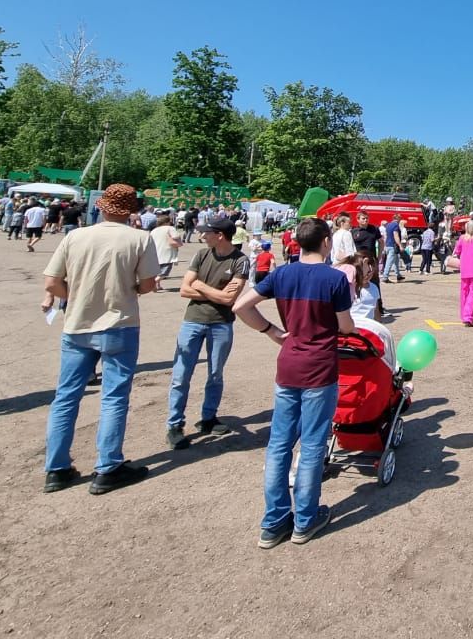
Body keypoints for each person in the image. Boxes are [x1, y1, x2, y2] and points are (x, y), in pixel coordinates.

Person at [233, 217, 354, 549]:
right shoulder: (335, 279)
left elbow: (240, 306)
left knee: (279, 445)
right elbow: (345, 327)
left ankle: (273, 522)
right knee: (313, 445)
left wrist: (270, 330)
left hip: (288, 366)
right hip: (320, 368)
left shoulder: (282, 274)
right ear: (327, 242)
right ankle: (305, 518)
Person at [40, 184, 161, 495]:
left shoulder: (76, 236)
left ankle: (56, 469)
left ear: (102, 206)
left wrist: (77, 296)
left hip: (77, 325)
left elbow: (53, 283)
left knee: (66, 397)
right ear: (131, 210)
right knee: (114, 397)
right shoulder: (139, 238)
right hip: (119, 323)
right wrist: (126, 289)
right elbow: (148, 286)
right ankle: (107, 467)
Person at [166, 214, 251, 450]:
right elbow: (184, 290)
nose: (202, 235)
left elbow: (229, 298)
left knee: (215, 373)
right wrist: (215, 293)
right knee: (181, 375)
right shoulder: (201, 254)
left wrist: (201, 286)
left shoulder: (240, 260)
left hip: (221, 323)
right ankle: (174, 424)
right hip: (193, 320)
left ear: (220, 235)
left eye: (206, 232)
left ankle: (208, 417)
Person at [151, 212, 183, 288]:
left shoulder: (154, 230)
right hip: (167, 252)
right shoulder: (170, 228)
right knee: (164, 272)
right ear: (167, 222)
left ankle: (157, 285)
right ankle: (154, 283)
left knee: (157, 271)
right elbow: (176, 236)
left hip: (156, 253)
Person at [381, 215, 406, 282]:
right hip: (393, 246)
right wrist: (400, 245)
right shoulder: (396, 226)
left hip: (388, 245)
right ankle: (385, 277)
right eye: (400, 219)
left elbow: (386, 235)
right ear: (398, 219)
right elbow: (396, 236)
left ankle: (398, 275)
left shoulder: (388, 225)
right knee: (389, 261)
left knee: (396, 261)